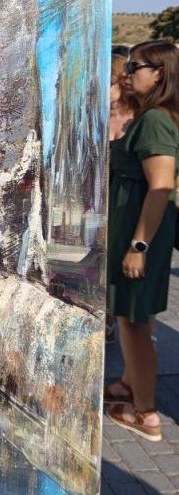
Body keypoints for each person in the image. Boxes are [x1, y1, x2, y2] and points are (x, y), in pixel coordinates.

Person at [105, 41, 179, 442]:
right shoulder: (151, 116)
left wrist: (138, 247)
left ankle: (145, 413)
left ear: (159, 73)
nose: (128, 73)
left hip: (140, 234)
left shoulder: (154, 120)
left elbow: (161, 187)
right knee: (133, 316)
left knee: (134, 322)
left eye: (136, 67)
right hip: (133, 229)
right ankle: (129, 385)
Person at [105, 54, 138, 341]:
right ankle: (106, 318)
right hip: (102, 198)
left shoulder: (138, 116)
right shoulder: (96, 115)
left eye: (108, 81)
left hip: (130, 199)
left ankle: (133, 321)